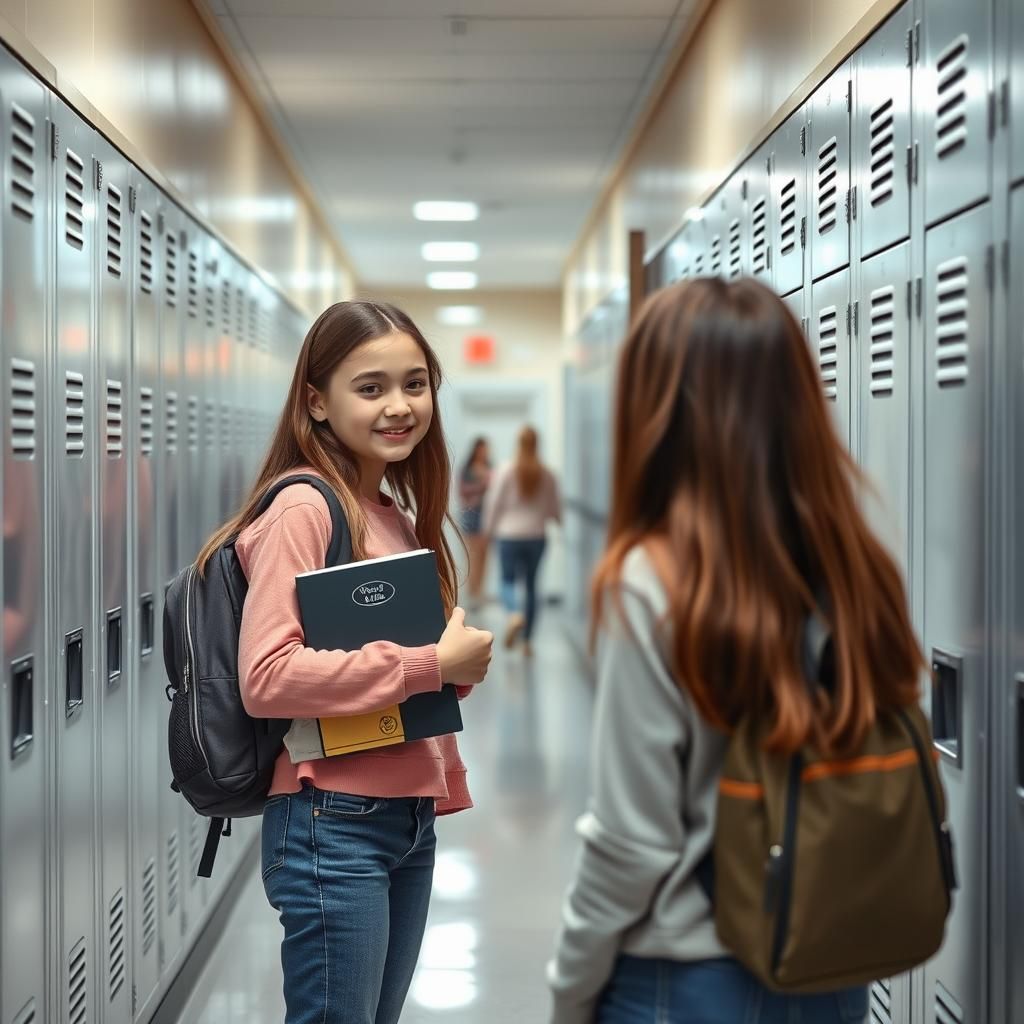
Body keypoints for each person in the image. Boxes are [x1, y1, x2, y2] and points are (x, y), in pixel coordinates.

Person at [548, 277, 924, 1024]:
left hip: (685, 979)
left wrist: (569, 990)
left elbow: (631, 844)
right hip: (827, 969)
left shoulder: (649, 579)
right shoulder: (855, 559)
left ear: (657, 407)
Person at [194, 301, 494, 1024]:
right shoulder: (307, 507)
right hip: (334, 820)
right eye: (371, 388)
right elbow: (267, 680)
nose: (400, 406)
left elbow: (385, 672)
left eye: (416, 384)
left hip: (405, 818)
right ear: (316, 401)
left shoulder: (388, 510)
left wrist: (452, 671)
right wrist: (429, 662)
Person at [483, 426, 562, 657]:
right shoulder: (547, 473)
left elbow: (493, 502)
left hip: (509, 536)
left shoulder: (506, 470)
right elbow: (554, 508)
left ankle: (514, 613)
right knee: (532, 586)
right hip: (537, 536)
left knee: (507, 581)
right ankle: (527, 642)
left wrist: (488, 530)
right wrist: (556, 521)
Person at [458, 436, 492, 608]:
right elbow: (462, 491)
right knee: (474, 555)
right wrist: (482, 485)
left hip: (488, 515)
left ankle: (480, 591)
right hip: (472, 515)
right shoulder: (468, 469)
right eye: (482, 449)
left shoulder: (489, 467)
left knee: (485, 555)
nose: (485, 452)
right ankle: (473, 592)